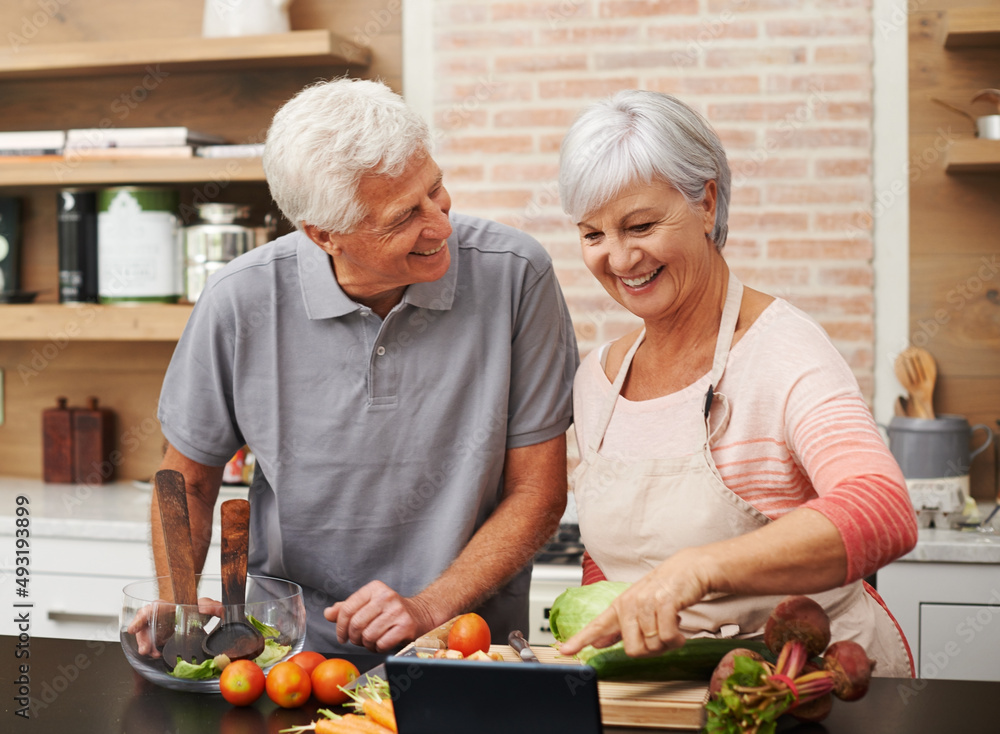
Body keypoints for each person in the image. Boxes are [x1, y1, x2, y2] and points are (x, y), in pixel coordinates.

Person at [146, 78, 578, 654]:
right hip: (287, 655)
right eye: (404, 217)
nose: (441, 224)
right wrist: (177, 602)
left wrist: (427, 606)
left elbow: (538, 493)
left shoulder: (516, 274)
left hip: (467, 647)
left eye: (437, 188)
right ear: (324, 235)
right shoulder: (239, 299)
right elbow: (186, 482)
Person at [555, 90, 918, 677]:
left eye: (640, 225)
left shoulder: (782, 351)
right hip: (673, 693)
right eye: (593, 234)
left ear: (706, 202)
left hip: (810, 685)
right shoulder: (599, 380)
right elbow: (608, 566)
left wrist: (696, 568)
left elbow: (883, 510)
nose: (619, 259)